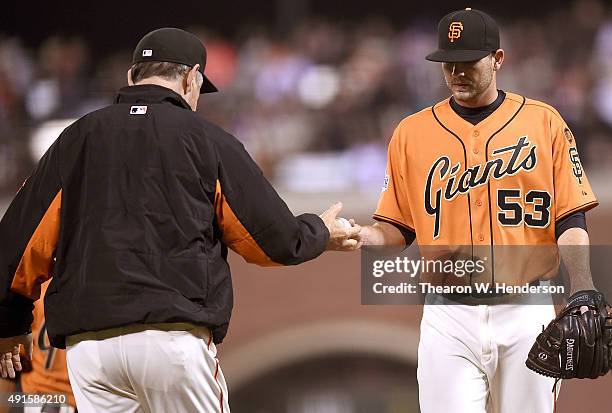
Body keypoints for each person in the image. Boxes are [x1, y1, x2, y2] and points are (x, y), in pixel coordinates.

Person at [0, 27, 360, 412]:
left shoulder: (74, 139)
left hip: (90, 350)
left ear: (131, 76)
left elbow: (17, 245)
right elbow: (271, 240)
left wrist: (11, 324)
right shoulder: (208, 140)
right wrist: (320, 232)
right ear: (192, 78)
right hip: (171, 338)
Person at [355, 8, 600, 412]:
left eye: (468, 61)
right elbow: (396, 228)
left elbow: (571, 218)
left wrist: (583, 286)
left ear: (497, 59)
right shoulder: (411, 133)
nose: (457, 72)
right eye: (448, 63)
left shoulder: (544, 123)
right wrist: (358, 236)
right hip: (447, 316)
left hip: (526, 311)